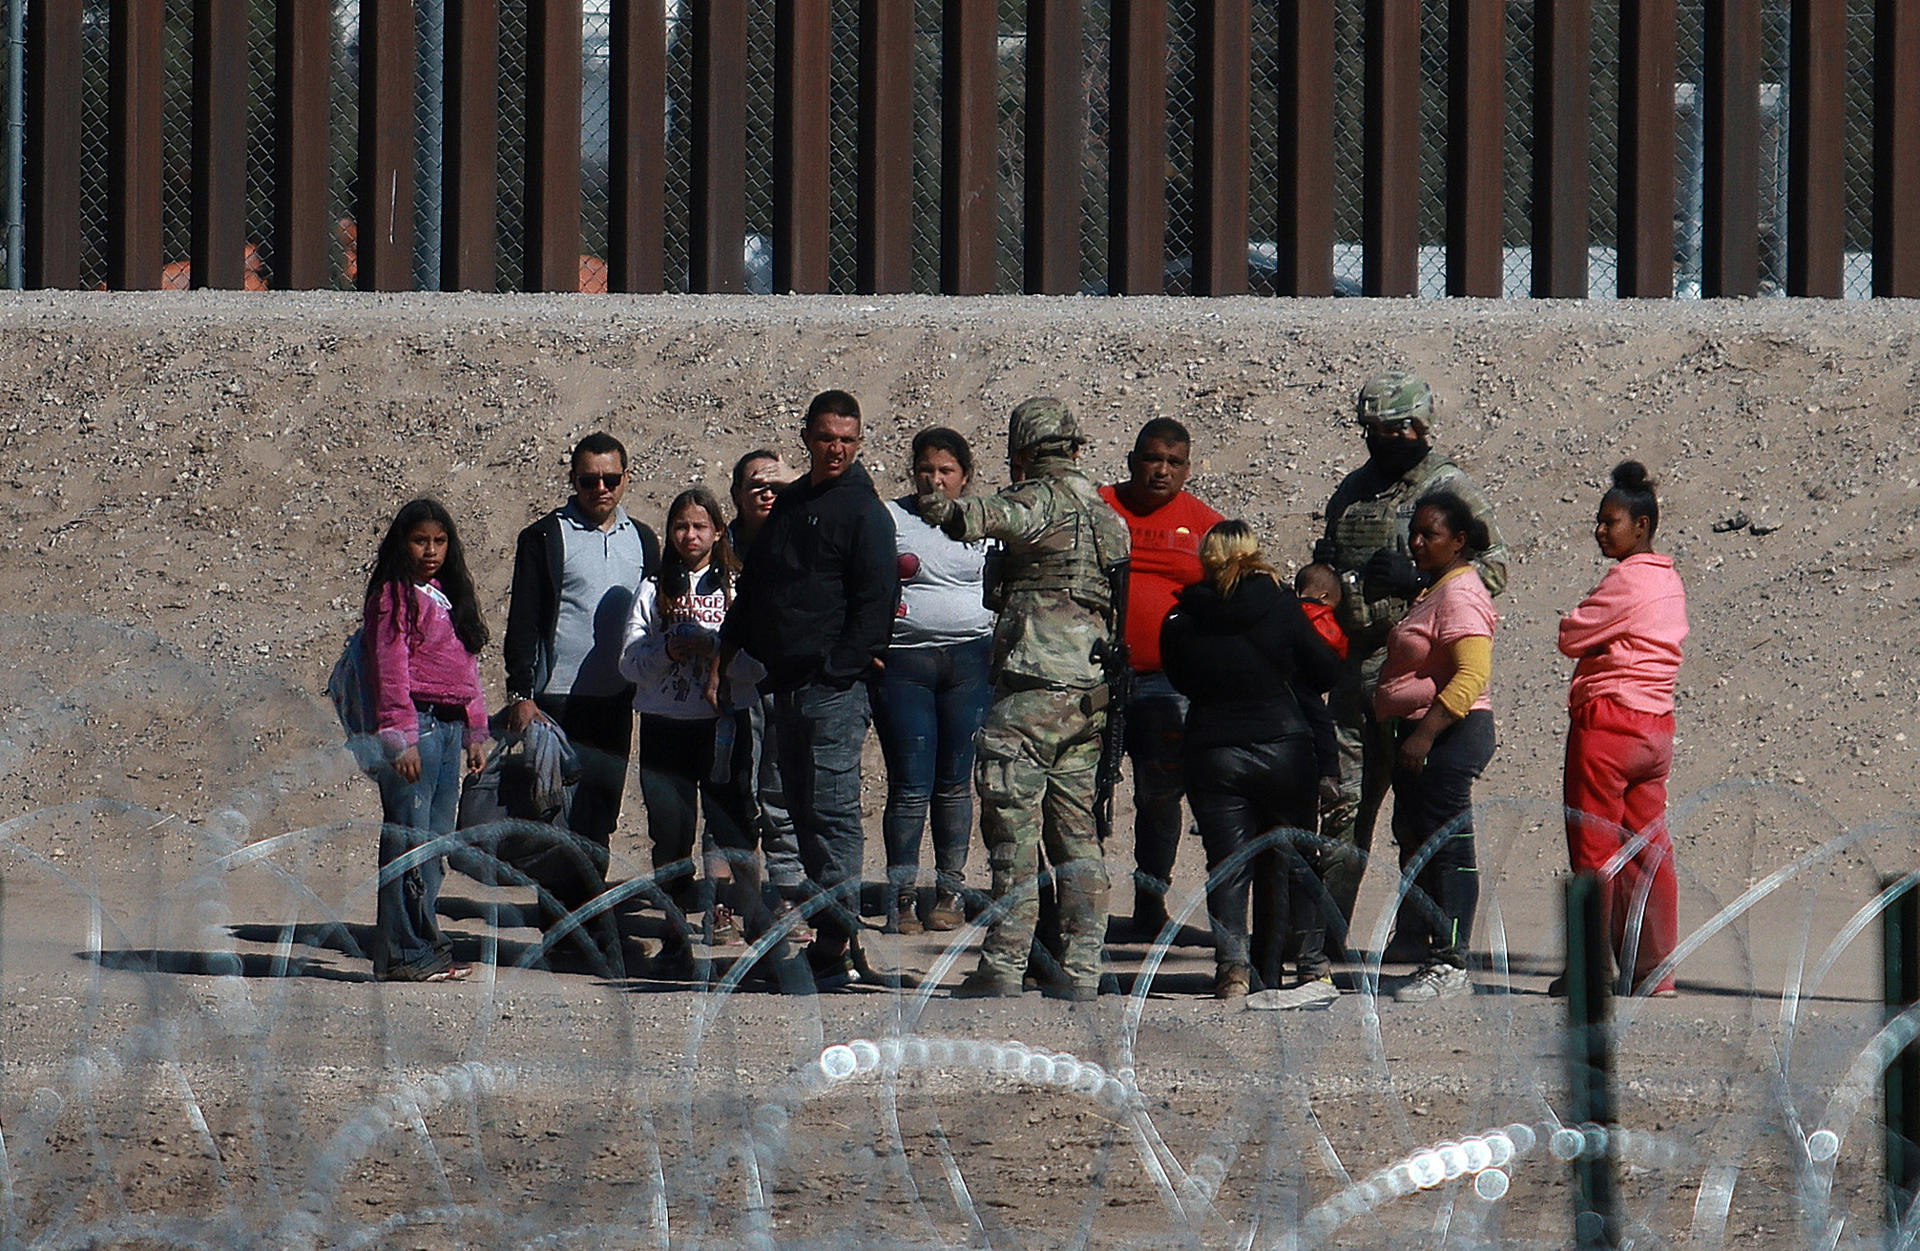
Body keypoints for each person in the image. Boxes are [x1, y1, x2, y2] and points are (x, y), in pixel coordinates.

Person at [914, 397, 1131, 1002]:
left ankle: (1005, 965)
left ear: (1024, 453)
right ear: (1076, 448)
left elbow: (975, 519)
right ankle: (1081, 968)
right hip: (1088, 695)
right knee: (1078, 837)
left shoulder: (1042, 498)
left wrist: (936, 501)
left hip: (1032, 688)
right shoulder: (1107, 515)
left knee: (1013, 832)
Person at [1314, 370, 1508, 958]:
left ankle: (1420, 934)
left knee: (1418, 819)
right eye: (1371, 431)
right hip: (1355, 674)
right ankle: (1322, 942)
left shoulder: (1450, 490)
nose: (1379, 442)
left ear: (1418, 428)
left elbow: (1493, 570)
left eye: (1392, 431)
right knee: (1345, 809)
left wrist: (1419, 578)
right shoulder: (1352, 491)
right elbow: (1328, 558)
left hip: (1419, 677)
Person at [711, 392, 898, 989]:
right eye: (825, 437)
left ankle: (837, 937)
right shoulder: (790, 505)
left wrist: (840, 669)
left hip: (832, 689)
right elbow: (758, 586)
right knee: (791, 808)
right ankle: (822, 931)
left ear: (860, 440)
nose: (836, 447)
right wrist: (728, 651)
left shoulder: (865, 513)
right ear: (807, 438)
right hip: (780, 684)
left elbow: (875, 603)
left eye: (847, 437)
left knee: (833, 810)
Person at [1160, 522, 1341, 1002]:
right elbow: (1325, 667)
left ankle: (1233, 969)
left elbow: (1179, 678)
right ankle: (1309, 965)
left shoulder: (1183, 614)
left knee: (1229, 862)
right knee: (1297, 858)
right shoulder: (1280, 605)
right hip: (1283, 742)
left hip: (1213, 745)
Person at [619, 488, 767, 969]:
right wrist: (667, 649)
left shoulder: (740, 590)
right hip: (665, 726)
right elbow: (628, 664)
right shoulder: (653, 588)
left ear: (718, 532)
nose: (690, 535)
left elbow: (759, 665)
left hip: (723, 725)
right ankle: (674, 931)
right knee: (670, 833)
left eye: (700, 527)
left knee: (735, 826)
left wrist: (715, 649)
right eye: (681, 526)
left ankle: (752, 921)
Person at [1557, 461, 1688, 998]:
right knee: (1648, 849)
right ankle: (1654, 971)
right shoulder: (1669, 579)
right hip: (1655, 726)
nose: (1601, 530)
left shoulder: (1625, 580)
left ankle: (1591, 968)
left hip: (1608, 722)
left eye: (1611, 522)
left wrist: (1592, 639)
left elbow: (1570, 633)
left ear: (1642, 525)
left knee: (1593, 846)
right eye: (1598, 520)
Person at [504, 433, 661, 867]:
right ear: (574, 481)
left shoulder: (644, 540)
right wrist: (521, 695)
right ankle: (560, 926)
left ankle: (591, 920)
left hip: (616, 702)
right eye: (589, 480)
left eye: (610, 478)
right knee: (556, 813)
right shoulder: (544, 537)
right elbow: (523, 620)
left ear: (626, 478)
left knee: (602, 814)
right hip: (557, 700)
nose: (601, 489)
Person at [1098, 418, 1225, 935]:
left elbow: (1236, 594)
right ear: (1132, 460)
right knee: (1084, 788)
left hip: (1168, 682)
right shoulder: (1099, 506)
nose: (1162, 471)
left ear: (1188, 468)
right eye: (1153, 459)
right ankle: (1076, 908)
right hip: (1096, 675)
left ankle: (1151, 901)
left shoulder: (1204, 524)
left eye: (1174, 463)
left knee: (1159, 793)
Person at [1373, 491, 1499, 1002]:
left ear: (1460, 541)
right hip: (1423, 736)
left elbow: (1473, 674)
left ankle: (1451, 963)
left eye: (1432, 534)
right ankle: (1433, 955)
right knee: (1425, 845)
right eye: (1415, 533)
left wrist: (1426, 733)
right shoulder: (1436, 589)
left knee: (1451, 848)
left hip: (1449, 734)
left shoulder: (1461, 593)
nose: (1418, 542)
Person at [361, 498, 490, 982]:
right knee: (407, 839)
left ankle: (424, 940)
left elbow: (465, 673)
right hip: (417, 726)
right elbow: (389, 672)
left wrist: (475, 731)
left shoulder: (445, 595)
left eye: (439, 542)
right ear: (402, 543)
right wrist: (399, 739)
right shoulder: (393, 597)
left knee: (434, 843)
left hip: (448, 726)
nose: (430, 551)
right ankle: (400, 951)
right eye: (420, 541)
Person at [875, 428, 994, 934]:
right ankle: (901, 896)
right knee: (909, 785)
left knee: (954, 783)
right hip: (904, 664)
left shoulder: (986, 521)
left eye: (946, 471)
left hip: (971, 662)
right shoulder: (890, 517)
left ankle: (950, 890)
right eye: (926, 469)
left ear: (964, 477)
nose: (935, 479)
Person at [726, 449, 809, 940]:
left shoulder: (803, 540)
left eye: (775, 486)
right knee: (732, 792)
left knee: (780, 793)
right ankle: (735, 902)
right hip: (729, 687)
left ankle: (786, 897)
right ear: (735, 493)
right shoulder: (717, 545)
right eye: (754, 484)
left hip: (786, 682)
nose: (765, 493)